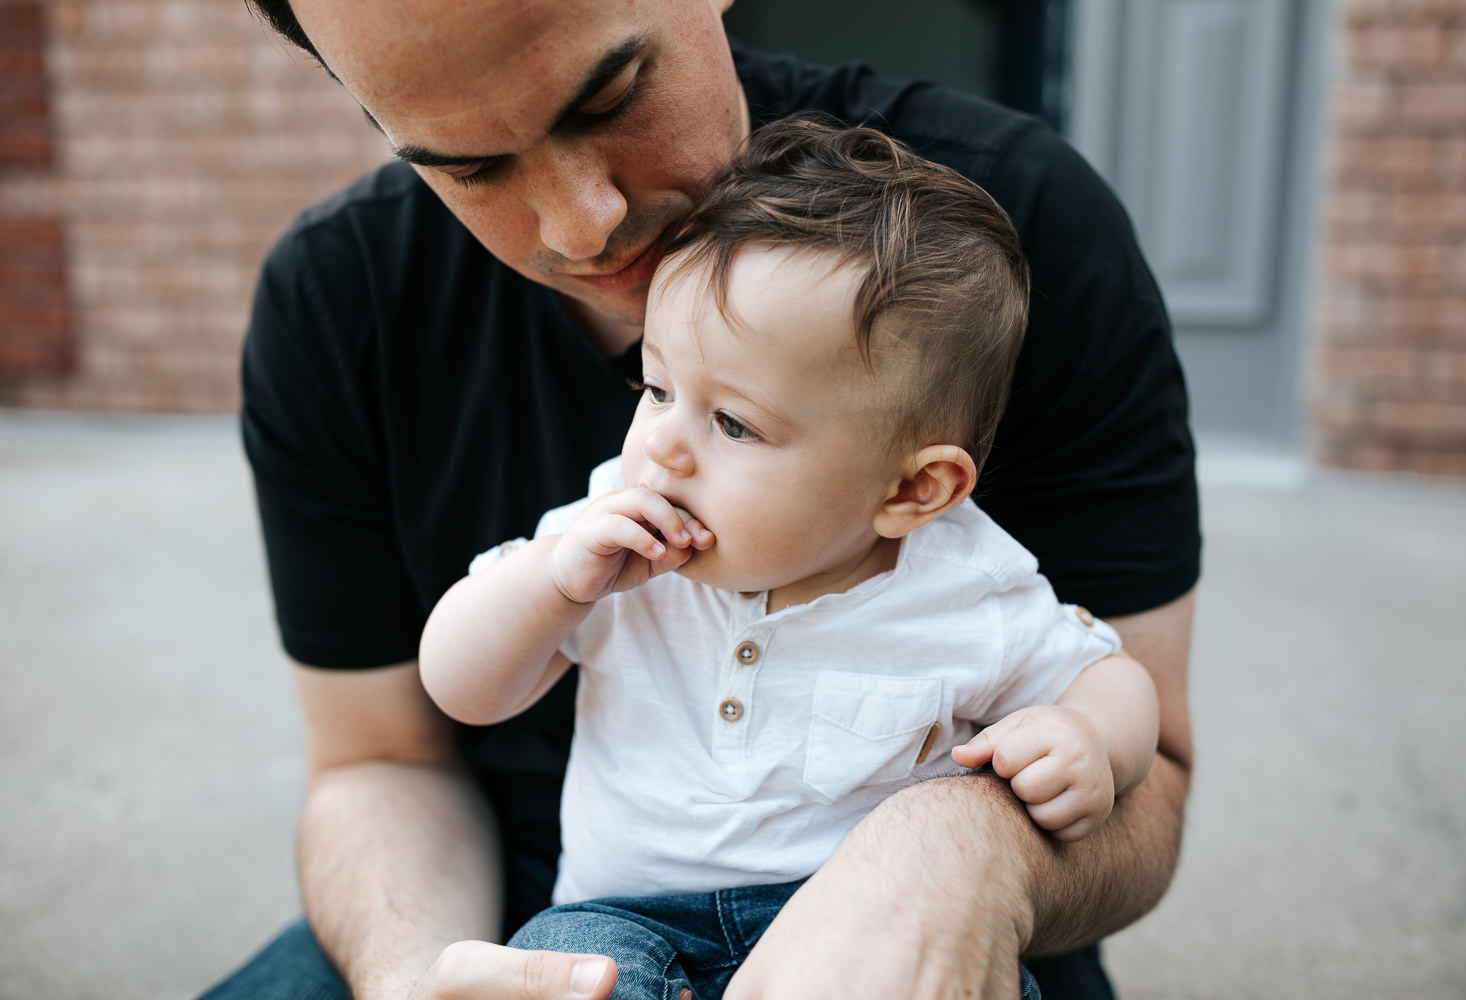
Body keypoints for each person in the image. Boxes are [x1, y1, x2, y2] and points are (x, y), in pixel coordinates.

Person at [212, 1, 1200, 998]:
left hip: (942, 906)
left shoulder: (992, 252)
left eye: (607, 96)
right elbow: (386, 753)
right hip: (592, 915)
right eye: (469, 166)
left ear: (916, 486)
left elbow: (1136, 735)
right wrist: (410, 979)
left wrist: (1012, 808)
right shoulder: (363, 318)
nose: (580, 223)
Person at [416, 119, 1163, 1000]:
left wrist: (1088, 739)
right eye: (656, 388)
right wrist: (548, 586)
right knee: (564, 972)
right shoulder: (606, 539)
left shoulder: (964, 587)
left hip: (860, 926)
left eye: (733, 423)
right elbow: (461, 686)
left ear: (913, 491)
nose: (663, 448)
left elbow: (1113, 680)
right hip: (624, 919)